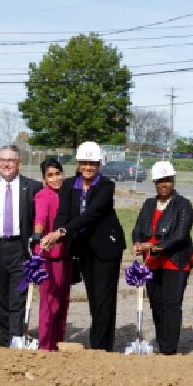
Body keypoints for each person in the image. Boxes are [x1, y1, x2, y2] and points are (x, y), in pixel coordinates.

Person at [40, 141, 126, 351]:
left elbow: (91, 215)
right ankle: (97, 344)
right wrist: (54, 235)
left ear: (99, 164)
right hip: (84, 248)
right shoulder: (69, 185)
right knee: (93, 297)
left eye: (93, 163)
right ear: (78, 163)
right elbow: (63, 214)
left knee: (104, 300)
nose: (88, 167)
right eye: (84, 163)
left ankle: (101, 348)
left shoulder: (106, 186)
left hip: (106, 248)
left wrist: (62, 232)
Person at [0, 145, 40, 343]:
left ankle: (16, 338)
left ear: (19, 163)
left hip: (20, 249)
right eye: (2, 160)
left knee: (18, 297)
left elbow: (37, 219)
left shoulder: (32, 187)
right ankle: (6, 338)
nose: (6, 164)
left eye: (11, 160)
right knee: (1, 297)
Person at [131, 161, 193, 355]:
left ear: (173, 181)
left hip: (174, 260)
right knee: (156, 304)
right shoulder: (149, 204)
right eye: (160, 181)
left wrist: (156, 246)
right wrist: (137, 243)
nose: (164, 184)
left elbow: (181, 234)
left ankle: (169, 348)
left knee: (171, 304)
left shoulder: (183, 204)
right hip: (152, 261)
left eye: (167, 180)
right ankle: (161, 341)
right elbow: (138, 228)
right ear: (155, 183)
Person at [32, 157, 73, 351]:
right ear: (44, 178)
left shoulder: (67, 194)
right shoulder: (43, 196)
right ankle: (45, 346)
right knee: (49, 305)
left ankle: (58, 343)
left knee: (63, 304)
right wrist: (38, 235)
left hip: (66, 257)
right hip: (49, 257)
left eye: (58, 174)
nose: (55, 178)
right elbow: (40, 219)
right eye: (50, 175)